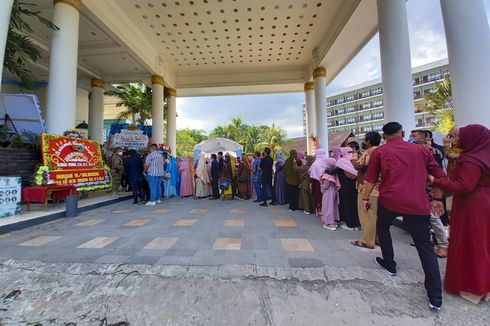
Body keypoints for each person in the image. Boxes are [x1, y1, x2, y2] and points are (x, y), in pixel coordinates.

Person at [363, 122, 446, 310]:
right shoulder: (421, 150)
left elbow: (370, 179)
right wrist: (438, 198)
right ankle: (435, 296)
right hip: (417, 202)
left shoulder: (380, 152)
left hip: (390, 200)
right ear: (402, 132)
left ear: (384, 136)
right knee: (424, 246)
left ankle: (389, 263)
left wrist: (365, 198)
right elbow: (439, 175)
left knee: (382, 227)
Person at [432, 124, 490, 304]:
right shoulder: (483, 155)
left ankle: (472, 286)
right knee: (481, 242)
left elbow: (464, 185)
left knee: (470, 243)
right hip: (482, 199)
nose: (457, 139)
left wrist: (437, 180)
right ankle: (482, 284)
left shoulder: (471, 160)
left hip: (471, 204)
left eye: (459, 136)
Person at [350, 131, 381, 249]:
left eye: (364, 140)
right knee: (376, 216)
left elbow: (357, 165)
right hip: (379, 187)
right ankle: (376, 238)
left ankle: (367, 241)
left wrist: (354, 155)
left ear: (368, 141)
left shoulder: (370, 152)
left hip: (367, 188)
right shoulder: (381, 151)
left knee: (367, 215)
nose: (363, 142)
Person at [336, 146, 361, 230]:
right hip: (357, 184)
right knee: (356, 204)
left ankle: (350, 224)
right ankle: (358, 223)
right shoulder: (357, 158)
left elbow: (335, 171)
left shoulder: (341, 161)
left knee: (347, 204)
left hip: (346, 186)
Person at [321, 158, 341, 230]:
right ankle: (334, 221)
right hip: (334, 190)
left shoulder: (327, 173)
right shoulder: (335, 172)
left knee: (328, 206)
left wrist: (321, 185)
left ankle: (329, 223)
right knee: (333, 206)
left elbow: (325, 185)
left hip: (328, 192)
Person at [308, 148, 328, 217]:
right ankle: (326, 210)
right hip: (327, 182)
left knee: (318, 196)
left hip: (317, 182)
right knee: (326, 196)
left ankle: (319, 210)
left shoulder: (315, 163)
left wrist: (311, 183)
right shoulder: (327, 161)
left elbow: (311, 173)